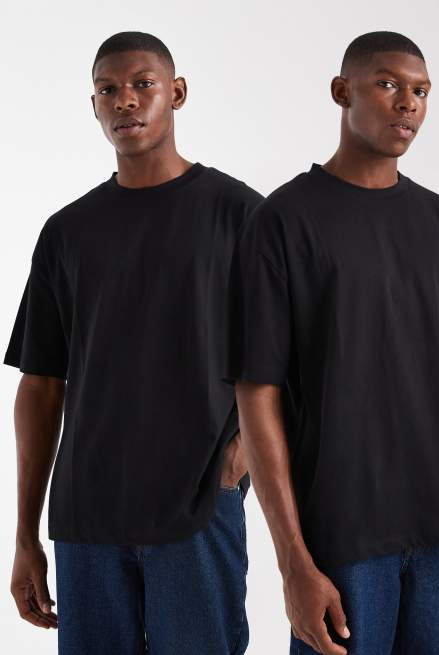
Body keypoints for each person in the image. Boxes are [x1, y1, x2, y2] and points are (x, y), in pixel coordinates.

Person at [225, 31, 439, 655]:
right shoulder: (282, 223)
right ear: (341, 91)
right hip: (342, 537)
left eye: (421, 91)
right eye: (388, 84)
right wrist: (293, 561)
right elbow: (256, 392)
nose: (407, 103)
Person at [4, 31, 262, 654]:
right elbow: (40, 385)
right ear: (92, 105)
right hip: (87, 521)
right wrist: (25, 534)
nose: (125, 100)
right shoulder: (68, 231)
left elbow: (295, 361)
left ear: (177, 93)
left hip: (196, 510)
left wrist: (241, 458)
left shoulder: (241, 215)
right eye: (108, 90)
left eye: (143, 84)